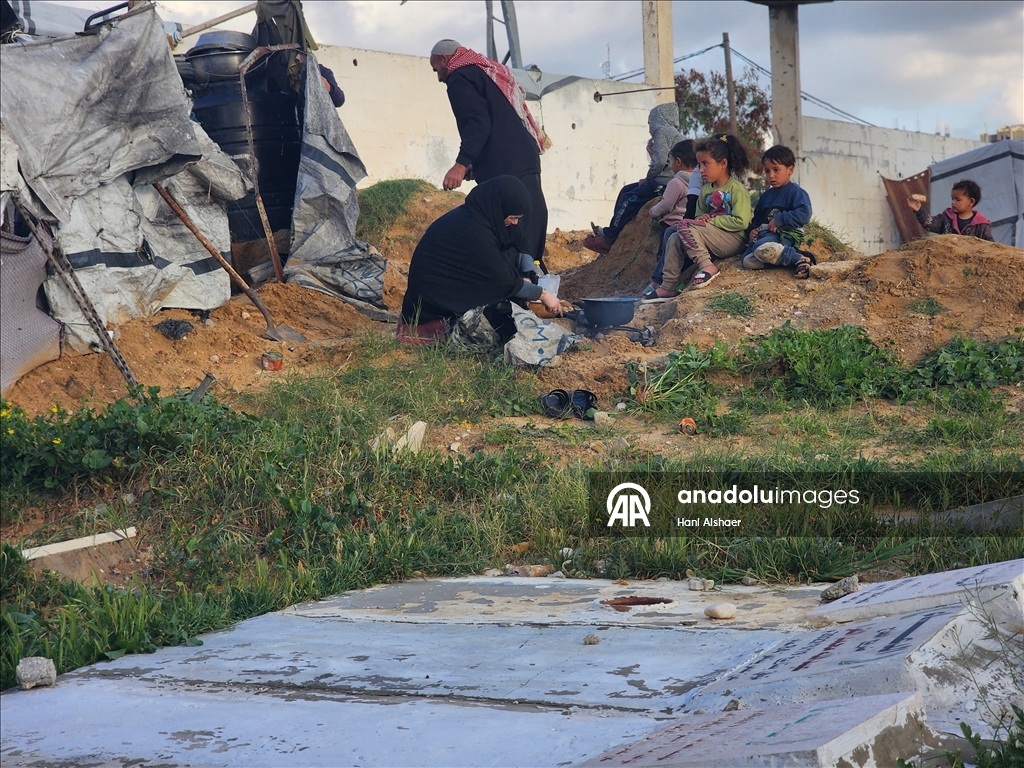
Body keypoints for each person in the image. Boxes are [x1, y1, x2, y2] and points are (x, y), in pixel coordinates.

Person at [398, 176, 561, 345]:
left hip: (462, 284)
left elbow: (522, 242)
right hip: (433, 306)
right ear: (499, 209)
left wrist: (528, 273)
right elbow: (502, 280)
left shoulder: (489, 216)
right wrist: (542, 294)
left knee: (511, 254)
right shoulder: (474, 231)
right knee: (504, 330)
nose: (515, 222)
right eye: (513, 217)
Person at [428, 39, 549, 266]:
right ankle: (534, 283)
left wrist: (461, 164)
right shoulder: (481, 73)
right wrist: (478, 162)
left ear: (445, 60)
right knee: (530, 221)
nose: (439, 77)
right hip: (522, 157)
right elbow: (494, 122)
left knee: (510, 228)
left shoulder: (459, 78)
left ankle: (522, 286)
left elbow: (478, 124)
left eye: (437, 70)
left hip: (506, 165)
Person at [647, 134, 752, 300]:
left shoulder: (736, 189)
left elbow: (741, 221)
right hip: (710, 237)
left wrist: (711, 221)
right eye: (699, 165)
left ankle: (707, 266)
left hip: (732, 239)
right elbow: (699, 215)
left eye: (705, 164)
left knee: (684, 226)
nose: (700, 170)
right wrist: (702, 219)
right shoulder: (705, 191)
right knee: (674, 237)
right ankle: (668, 286)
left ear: (723, 163)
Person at [583, 103, 685, 254]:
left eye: (650, 122)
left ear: (658, 119)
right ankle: (611, 231)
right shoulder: (675, 134)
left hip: (663, 183)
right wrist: (652, 152)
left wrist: (648, 178)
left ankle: (609, 238)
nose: (650, 127)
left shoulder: (662, 131)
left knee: (629, 197)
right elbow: (665, 162)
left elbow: (659, 163)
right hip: (669, 180)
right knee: (626, 191)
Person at [741, 145, 815, 277]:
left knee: (762, 248)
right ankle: (792, 258)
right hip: (764, 237)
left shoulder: (796, 192)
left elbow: (804, 213)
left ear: (790, 170)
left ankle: (799, 258)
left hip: (784, 235)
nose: (771, 175)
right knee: (747, 261)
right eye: (767, 171)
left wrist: (780, 219)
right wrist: (752, 230)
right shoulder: (766, 196)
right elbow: (757, 219)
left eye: (776, 170)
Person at [642, 140, 698, 299]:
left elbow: (666, 204)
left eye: (671, 160)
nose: (670, 164)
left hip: (670, 225)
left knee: (664, 254)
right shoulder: (697, 182)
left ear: (678, 162)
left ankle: (657, 283)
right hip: (686, 224)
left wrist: (653, 211)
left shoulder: (676, 182)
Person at [907, 179, 993, 241]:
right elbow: (931, 223)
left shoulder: (981, 226)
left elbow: (991, 248)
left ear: (971, 202)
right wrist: (919, 210)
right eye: (952, 199)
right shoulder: (946, 217)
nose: (953, 202)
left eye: (957, 200)